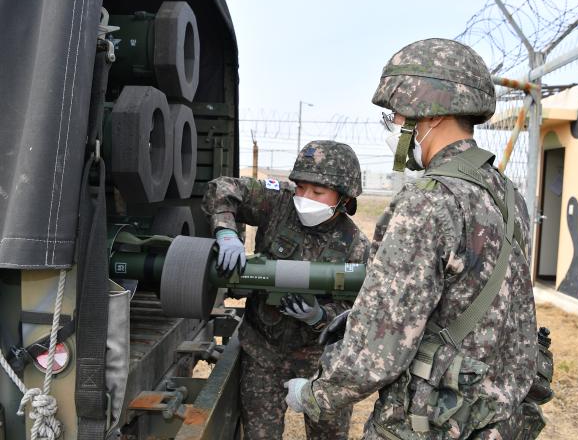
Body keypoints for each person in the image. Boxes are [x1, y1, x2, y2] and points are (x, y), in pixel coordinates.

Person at [284, 38, 541, 439]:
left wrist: (315, 394)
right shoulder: (507, 194)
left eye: (399, 117)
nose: (396, 128)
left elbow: (379, 350)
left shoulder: (427, 203)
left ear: (430, 116)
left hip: (433, 423)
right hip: (497, 419)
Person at [202, 140, 370, 439]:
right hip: (262, 351)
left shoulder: (355, 246)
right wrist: (226, 231)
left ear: (343, 198)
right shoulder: (279, 202)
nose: (305, 197)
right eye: (302, 187)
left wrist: (320, 316)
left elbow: (359, 315)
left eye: (318, 192)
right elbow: (223, 188)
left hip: (321, 362)